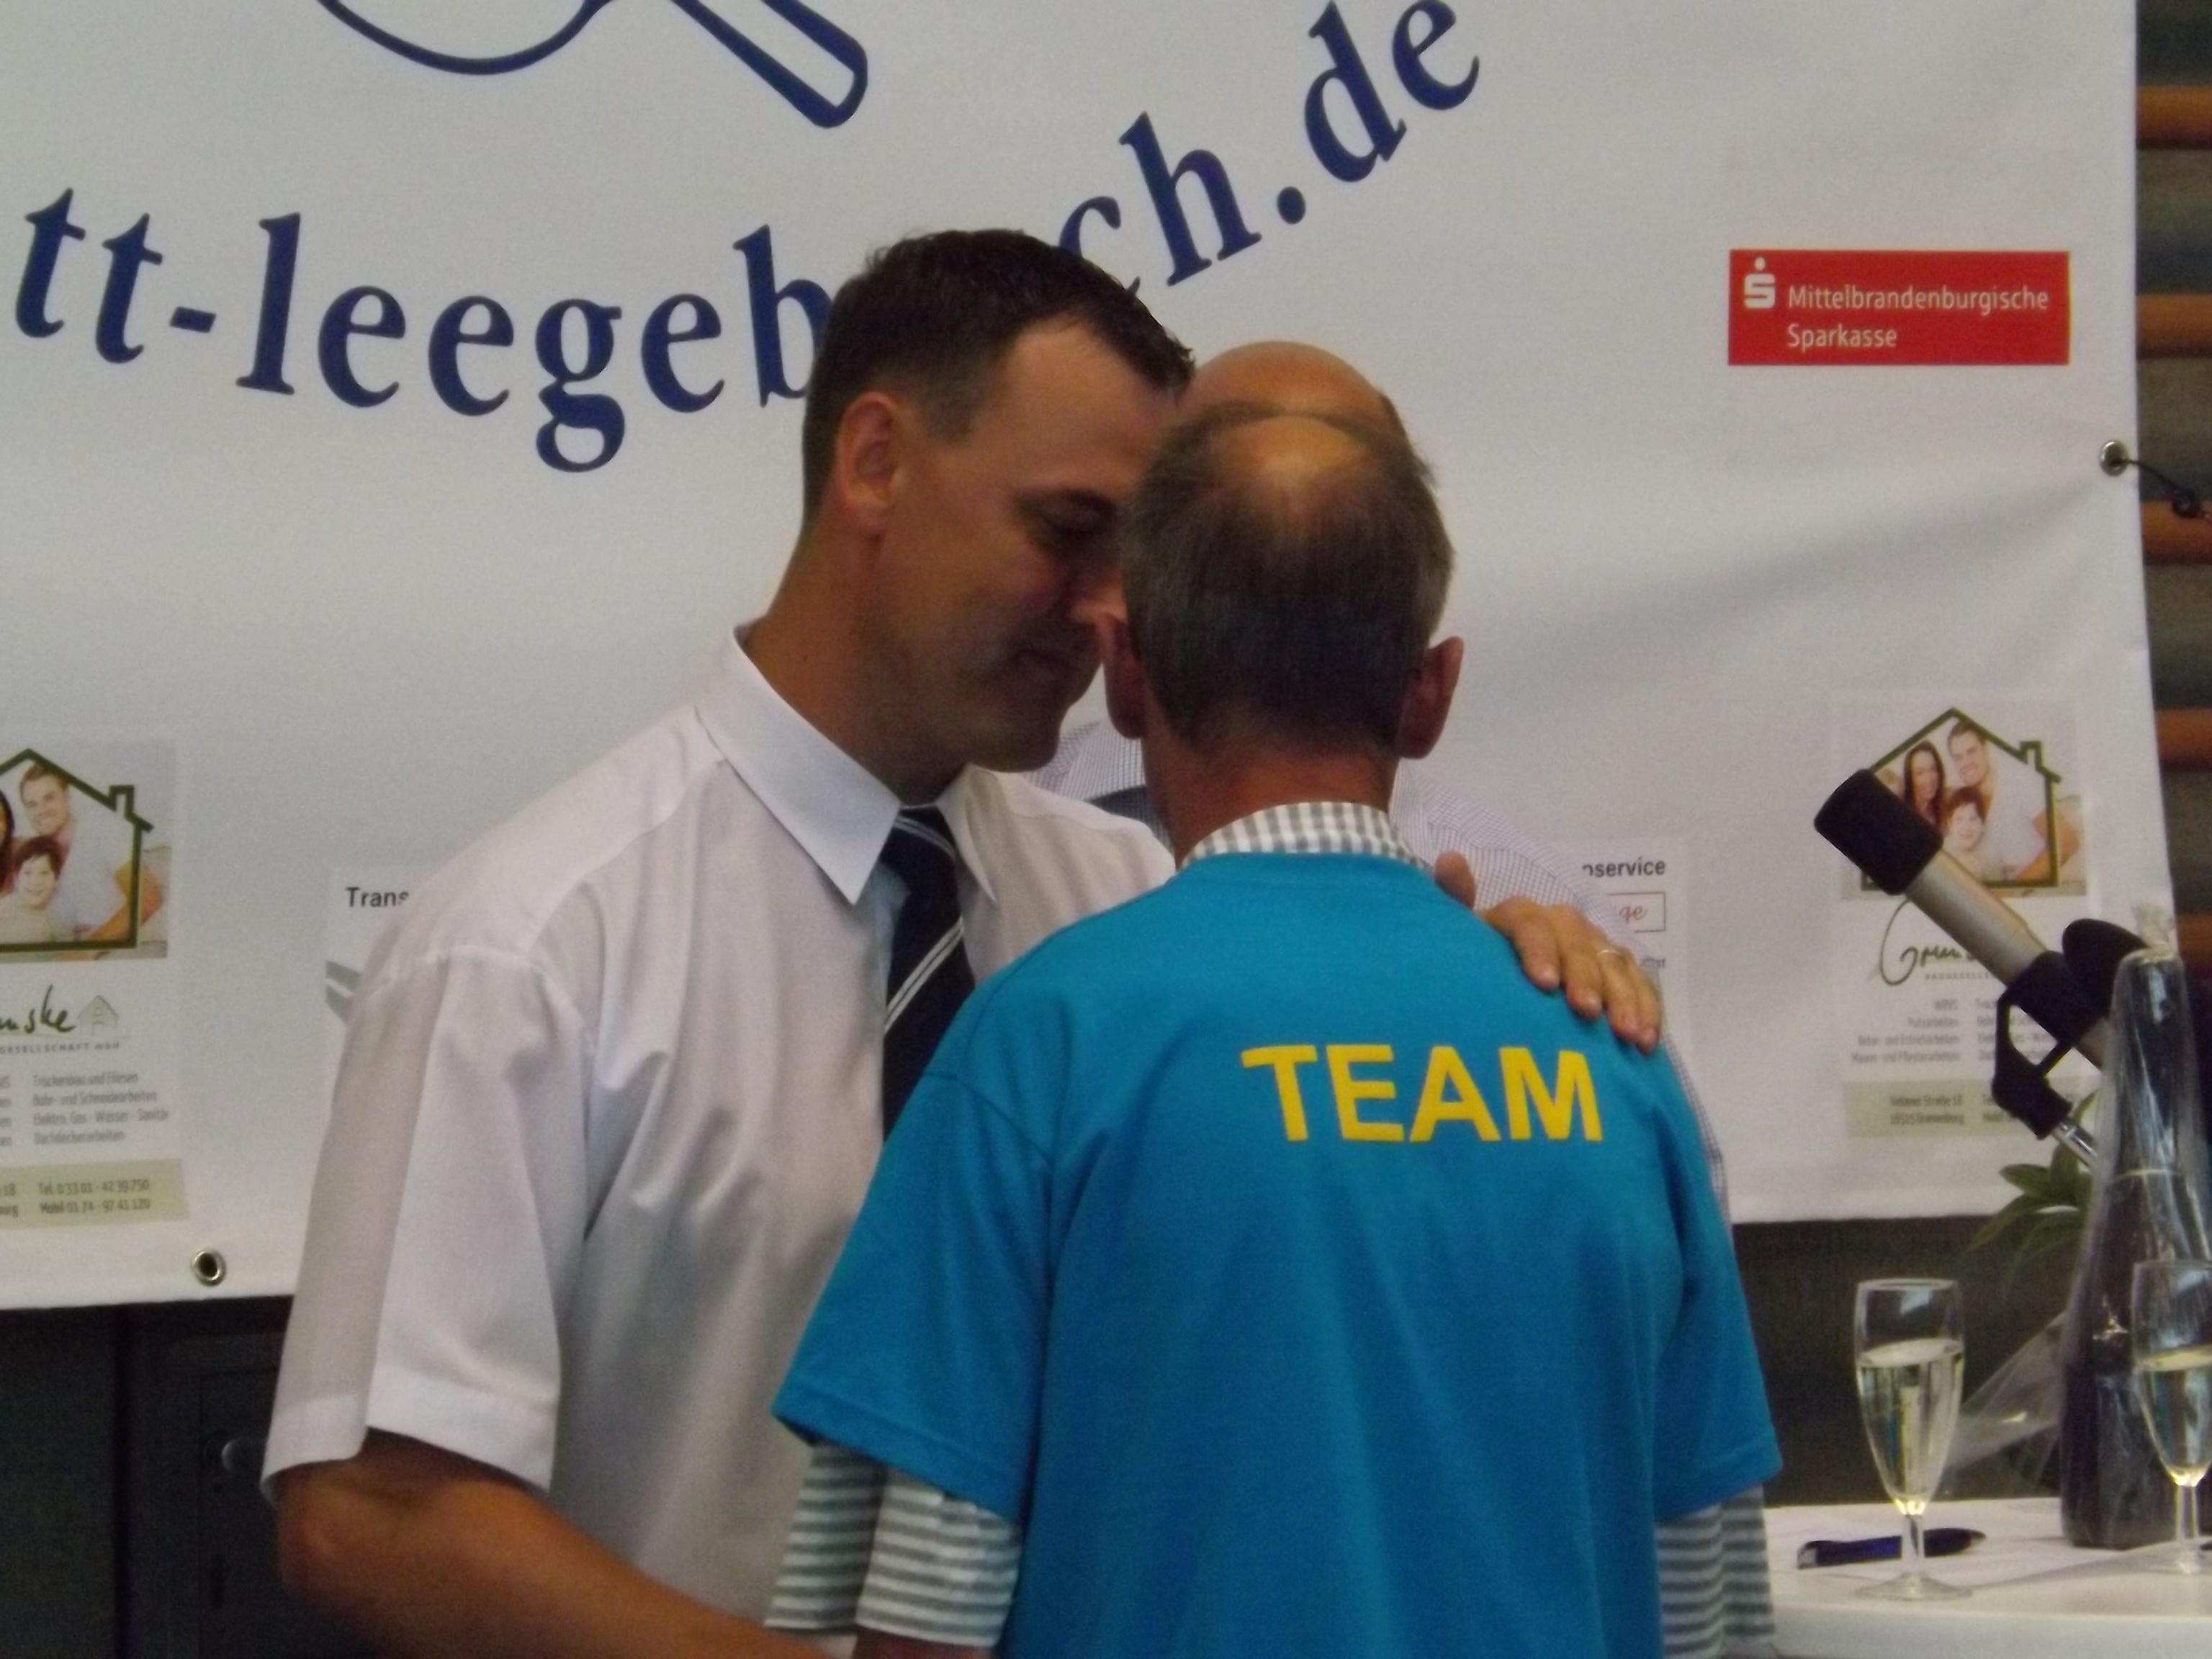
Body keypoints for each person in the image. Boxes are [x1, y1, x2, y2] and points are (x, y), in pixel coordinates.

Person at [266, 231, 1644, 1659]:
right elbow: (371, 1514)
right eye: (1067, 529)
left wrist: (1504, 979)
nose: (1112, 607)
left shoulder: (1134, 903)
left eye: (1135, 554)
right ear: (874, 462)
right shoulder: (533, 945)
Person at [767, 405, 1779, 1658]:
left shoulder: (1036, 1046)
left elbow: (922, 1614)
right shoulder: (1615, 1052)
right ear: (1429, 693)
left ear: (1126, 672)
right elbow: (1704, 1599)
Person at [17, 763, 153, 941]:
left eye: (49, 798)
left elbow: (148, 899)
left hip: (110, 950)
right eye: (32, 804)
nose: (41, 810)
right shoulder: (35, 857)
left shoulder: (101, 830)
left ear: (67, 797)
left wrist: (88, 949)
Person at [1944, 719, 2062, 884]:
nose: (1966, 763)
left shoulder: (2019, 782)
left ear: (1986, 749)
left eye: (1972, 752)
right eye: (1958, 758)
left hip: (2031, 889)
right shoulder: (1965, 804)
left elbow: (2066, 843)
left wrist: (2014, 889)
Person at [0, 837, 66, 945]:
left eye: (44, 873)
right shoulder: (4, 913)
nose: (35, 882)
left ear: (57, 878)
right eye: (28, 873)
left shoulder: (59, 916)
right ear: (16, 877)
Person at [1938, 787, 1997, 881]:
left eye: (1973, 819)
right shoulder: (1943, 854)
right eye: (1959, 819)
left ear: (1983, 824)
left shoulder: (1991, 857)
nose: (1966, 827)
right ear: (1950, 824)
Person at [1893, 739, 1945, 827]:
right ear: (1910, 778)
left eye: (1933, 769)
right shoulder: (1901, 812)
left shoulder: (1943, 805)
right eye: (1920, 773)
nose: (1929, 779)